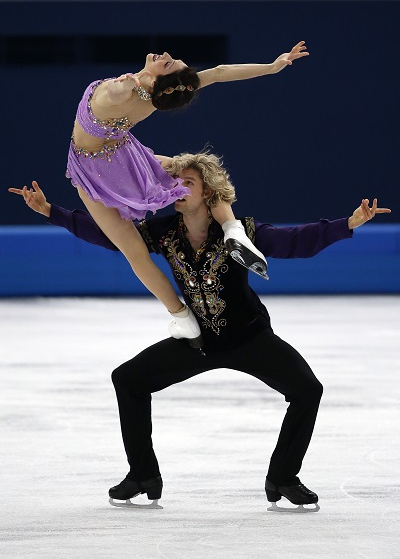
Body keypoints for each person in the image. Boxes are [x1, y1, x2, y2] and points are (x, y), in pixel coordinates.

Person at [10, 150, 390, 511]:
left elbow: (295, 242)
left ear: (208, 191)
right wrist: (50, 211)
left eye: (187, 182)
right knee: (128, 379)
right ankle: (143, 475)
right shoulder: (164, 231)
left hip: (249, 338)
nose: (177, 187)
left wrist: (349, 224)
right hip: (197, 341)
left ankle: (283, 478)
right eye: (174, 181)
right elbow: (112, 235)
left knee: (308, 390)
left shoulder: (240, 233)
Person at [66, 42, 309, 346]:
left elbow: (114, 95)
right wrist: (272, 67)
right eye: (171, 59)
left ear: (163, 85)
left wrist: (120, 87)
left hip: (92, 169)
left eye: (168, 63)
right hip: (123, 155)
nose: (165, 56)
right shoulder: (151, 97)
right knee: (200, 173)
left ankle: (182, 316)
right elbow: (219, 74)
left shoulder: (127, 91)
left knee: (135, 249)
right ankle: (232, 230)